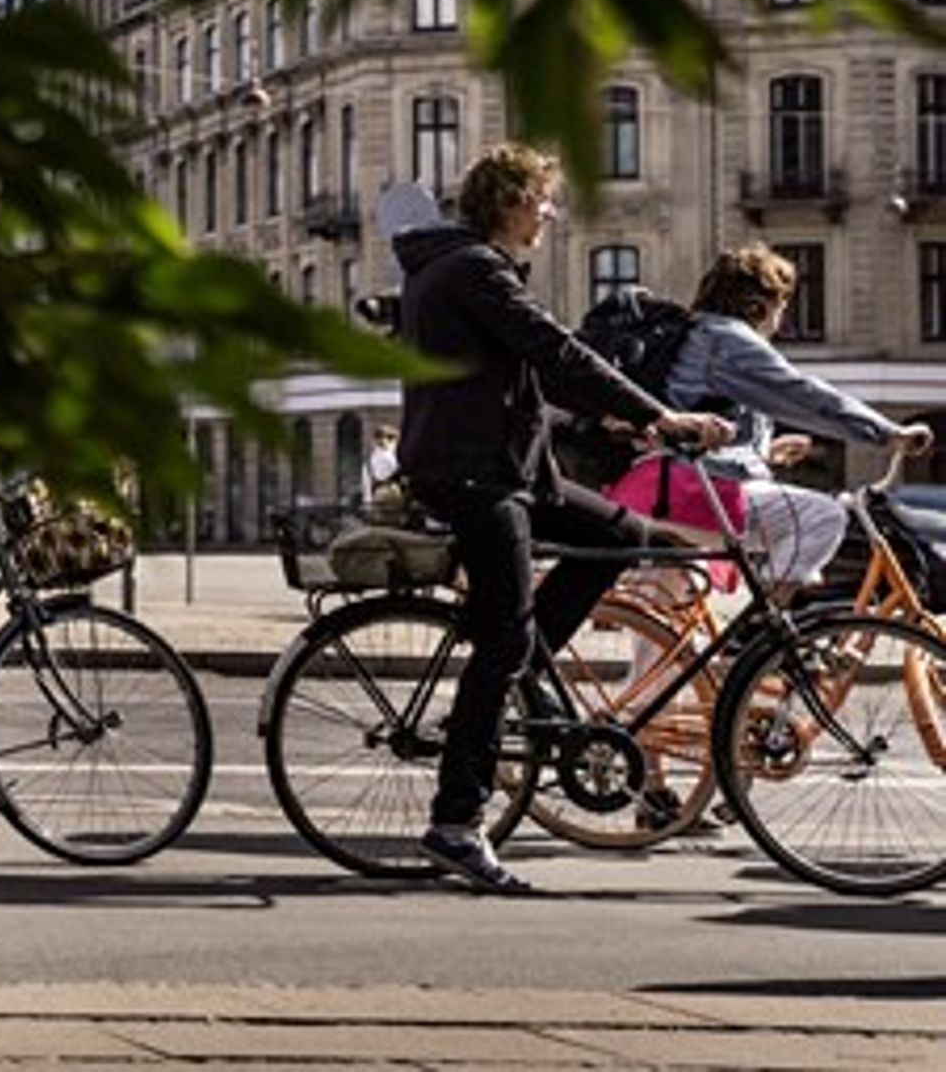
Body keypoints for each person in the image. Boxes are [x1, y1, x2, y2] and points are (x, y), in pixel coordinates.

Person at [393, 144, 730, 893]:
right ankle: (456, 823)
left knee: (621, 535)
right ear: (511, 202)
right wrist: (660, 415)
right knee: (503, 634)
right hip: (474, 477)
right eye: (542, 199)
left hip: (503, 468)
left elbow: (514, 384)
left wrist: (608, 424)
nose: (549, 213)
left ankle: (520, 675)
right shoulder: (474, 269)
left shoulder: (453, 266)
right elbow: (557, 353)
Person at [661, 244, 933, 599]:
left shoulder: (695, 335)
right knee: (823, 517)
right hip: (689, 489)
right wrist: (888, 433)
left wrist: (766, 454)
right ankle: (765, 624)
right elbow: (804, 395)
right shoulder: (727, 339)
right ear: (758, 305)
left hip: (661, 483)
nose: (781, 320)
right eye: (781, 306)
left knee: (667, 609)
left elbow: (705, 420)